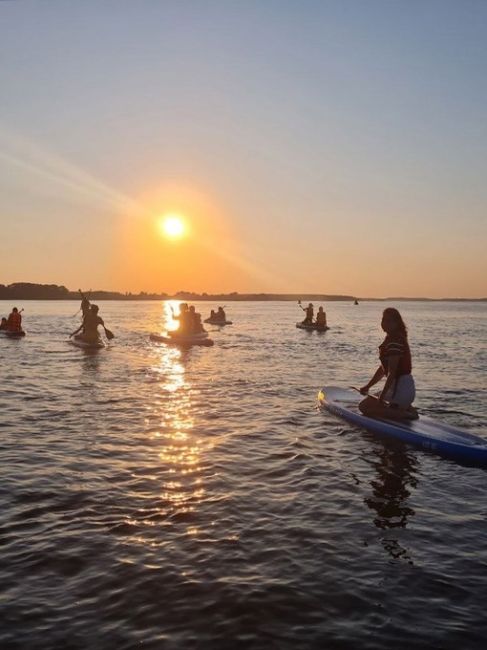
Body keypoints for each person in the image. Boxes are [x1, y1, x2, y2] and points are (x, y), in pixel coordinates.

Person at [359, 308, 417, 421]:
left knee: (364, 407)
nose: (384, 323)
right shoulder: (393, 338)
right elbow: (383, 369)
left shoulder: (394, 341)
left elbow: (392, 372)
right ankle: (405, 408)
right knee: (375, 403)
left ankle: (406, 414)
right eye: (383, 320)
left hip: (400, 389)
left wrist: (381, 397)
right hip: (405, 390)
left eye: (389, 321)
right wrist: (368, 386)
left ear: (397, 323)